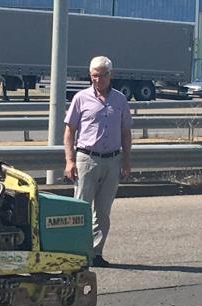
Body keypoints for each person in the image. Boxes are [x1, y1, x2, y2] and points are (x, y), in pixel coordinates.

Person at [63, 56, 133, 267]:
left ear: (110, 75)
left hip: (112, 160)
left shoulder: (120, 100)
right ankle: (77, 253)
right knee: (81, 208)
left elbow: (126, 132)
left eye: (102, 76)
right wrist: (69, 160)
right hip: (86, 158)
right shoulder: (80, 98)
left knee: (102, 212)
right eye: (94, 75)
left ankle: (95, 253)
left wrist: (127, 161)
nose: (97, 80)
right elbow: (69, 131)